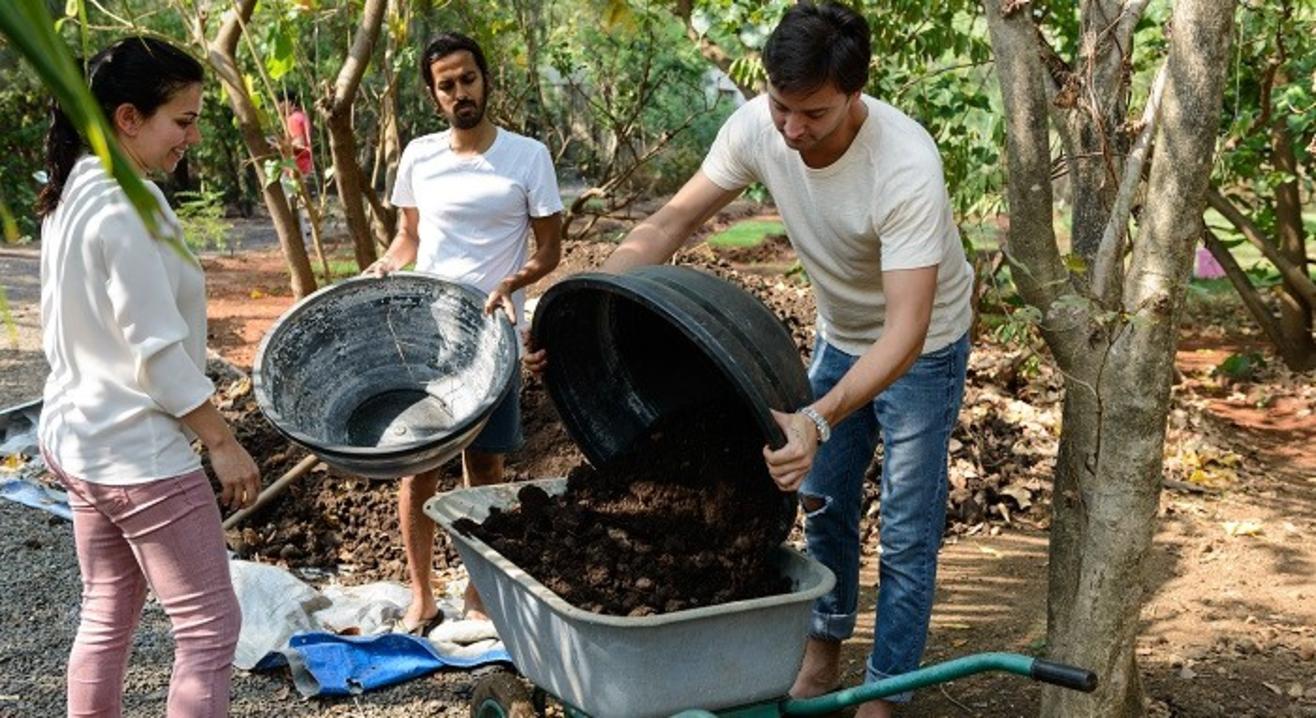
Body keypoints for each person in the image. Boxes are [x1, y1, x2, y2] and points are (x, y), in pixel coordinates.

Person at [527, 3, 971, 715]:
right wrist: (593, 304)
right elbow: (670, 222)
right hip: (840, 331)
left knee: (908, 532)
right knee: (821, 503)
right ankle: (822, 655)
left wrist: (818, 418)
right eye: (780, 106)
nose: (793, 130)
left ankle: (888, 691)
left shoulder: (906, 165)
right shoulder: (759, 128)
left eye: (814, 114)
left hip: (923, 349)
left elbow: (907, 330)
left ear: (856, 93)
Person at [35, 36, 261, 717]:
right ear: (128, 118)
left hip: (79, 438)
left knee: (105, 613)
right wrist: (221, 441)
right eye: (182, 121)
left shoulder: (76, 188)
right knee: (209, 628)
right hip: (135, 452)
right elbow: (156, 351)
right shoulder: (127, 204)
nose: (190, 137)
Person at [364, 32, 564, 633]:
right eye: (446, 85)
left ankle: (479, 592)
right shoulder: (421, 156)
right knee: (417, 464)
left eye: (468, 80)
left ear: (485, 79)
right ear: (434, 94)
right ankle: (421, 596)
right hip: (428, 336)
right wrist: (387, 263)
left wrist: (514, 280)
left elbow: (550, 250)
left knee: (485, 467)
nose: (460, 93)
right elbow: (409, 238)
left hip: (492, 333)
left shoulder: (528, 156)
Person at [277, 92, 316, 249]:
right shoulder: (303, 116)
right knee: (300, 201)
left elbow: (299, 144)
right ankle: (306, 232)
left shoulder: (292, 120)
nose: (279, 107)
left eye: (281, 103)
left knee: (292, 201)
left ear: (289, 103)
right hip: (306, 164)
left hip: (296, 166)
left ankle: (303, 239)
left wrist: (280, 147)